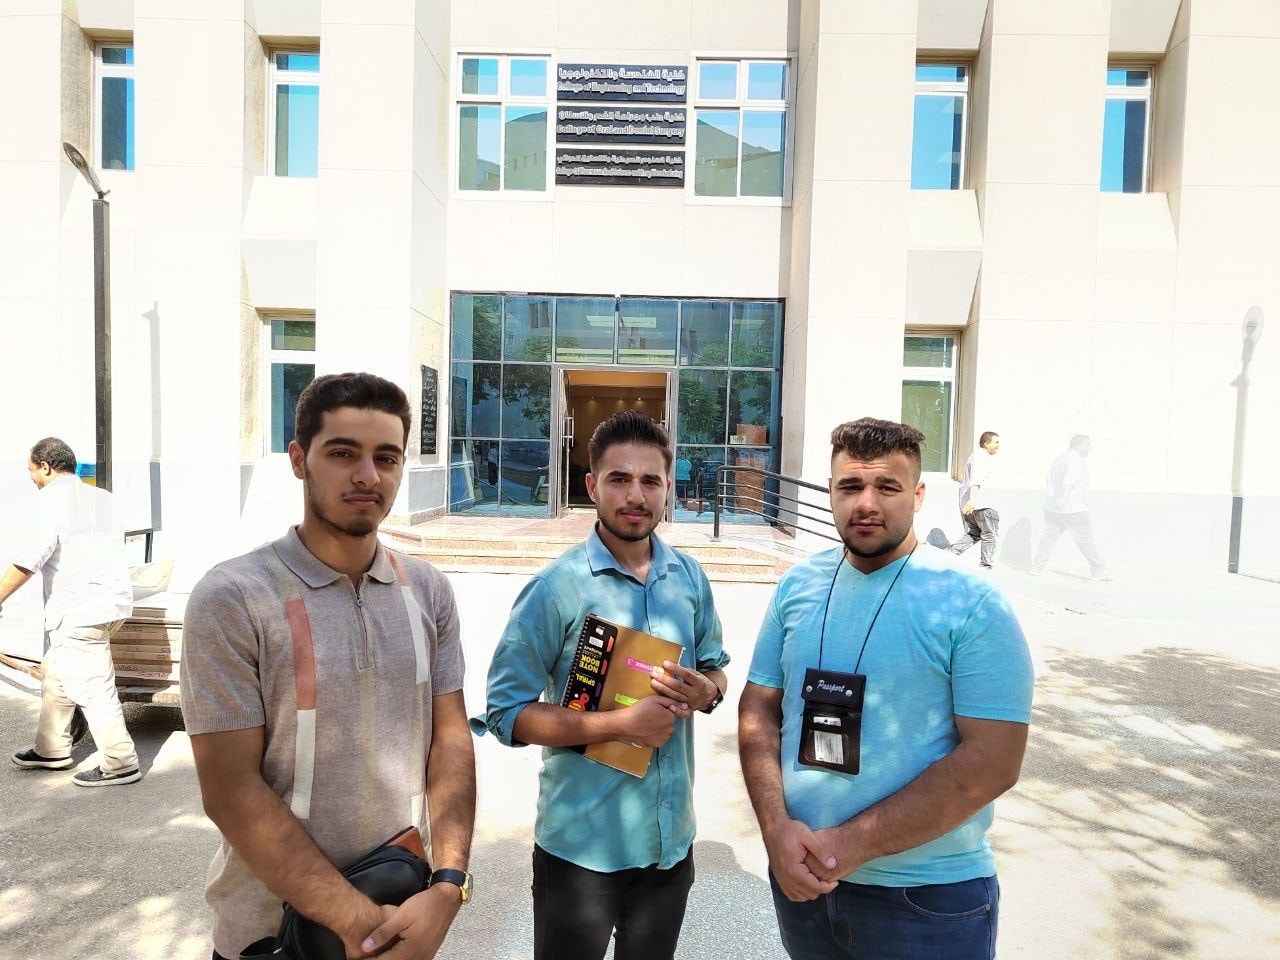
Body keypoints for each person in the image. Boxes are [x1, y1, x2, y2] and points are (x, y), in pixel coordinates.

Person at [180, 372, 476, 960]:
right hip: (272, 936)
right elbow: (231, 788)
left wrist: (449, 886)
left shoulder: (428, 591)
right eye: (342, 454)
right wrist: (361, 925)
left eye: (386, 458)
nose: (367, 475)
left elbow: (450, 740)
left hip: (401, 913)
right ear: (299, 459)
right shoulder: (235, 597)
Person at [739, 417, 1033, 960]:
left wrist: (848, 845)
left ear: (918, 495)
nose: (866, 504)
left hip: (926, 900)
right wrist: (776, 830)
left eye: (887, 487)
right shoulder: (798, 585)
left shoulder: (970, 602)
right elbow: (759, 709)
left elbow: (994, 761)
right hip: (803, 883)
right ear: (831, 490)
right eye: (850, 486)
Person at [476, 409, 729, 960]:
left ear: (667, 488)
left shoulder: (689, 579)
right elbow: (506, 714)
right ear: (592, 486)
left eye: (650, 481)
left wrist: (706, 691)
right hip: (581, 852)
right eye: (619, 479)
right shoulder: (556, 589)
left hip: (669, 847)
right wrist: (621, 725)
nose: (635, 495)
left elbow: (716, 668)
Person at [4, 437, 139, 787]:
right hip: (111, 604)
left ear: (46, 467)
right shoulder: (102, 498)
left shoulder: (50, 500)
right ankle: (51, 749)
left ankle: (120, 762)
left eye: (32, 471)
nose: (32, 479)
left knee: (93, 686)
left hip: (80, 610)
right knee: (58, 676)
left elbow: (28, 560)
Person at [1030, 434, 1109, 581]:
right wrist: (1064, 499)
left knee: (1049, 537)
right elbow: (1069, 481)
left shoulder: (1059, 459)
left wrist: (1055, 501)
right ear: (1078, 446)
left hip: (1053, 507)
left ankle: (1037, 567)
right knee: (1085, 540)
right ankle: (1098, 571)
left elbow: (1049, 481)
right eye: (1087, 445)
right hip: (1073, 508)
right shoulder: (1075, 460)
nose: (1089, 448)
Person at [948, 431, 1001, 569]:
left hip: (971, 503)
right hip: (982, 505)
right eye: (996, 442)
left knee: (974, 533)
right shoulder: (982, 457)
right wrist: (972, 501)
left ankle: (950, 554)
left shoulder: (974, 457)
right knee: (989, 535)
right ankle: (985, 567)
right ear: (986, 443)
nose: (998, 445)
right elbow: (975, 481)